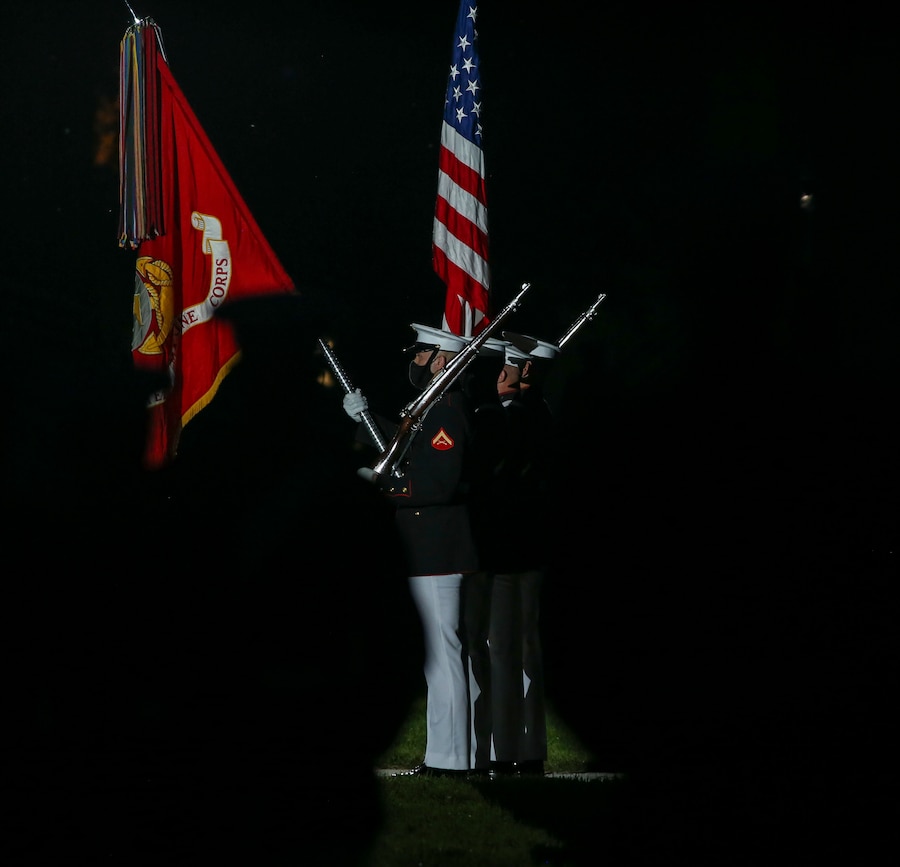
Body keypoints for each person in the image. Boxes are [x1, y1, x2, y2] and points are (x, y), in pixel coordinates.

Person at [342, 322, 478, 778]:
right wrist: (364, 420)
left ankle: (452, 758)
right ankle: (448, 753)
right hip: (426, 548)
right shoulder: (431, 408)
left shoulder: (447, 411)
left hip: (436, 548)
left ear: (442, 361)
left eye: (422, 355)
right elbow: (404, 448)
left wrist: (384, 486)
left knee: (443, 656)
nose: (415, 361)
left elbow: (435, 481)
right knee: (440, 659)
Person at [466, 330, 560, 778]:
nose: (498, 373)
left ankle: (506, 752)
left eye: (506, 364)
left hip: (505, 550)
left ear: (525, 370)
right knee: (527, 651)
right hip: (534, 548)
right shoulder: (542, 415)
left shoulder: (501, 418)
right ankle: (531, 749)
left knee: (502, 651)